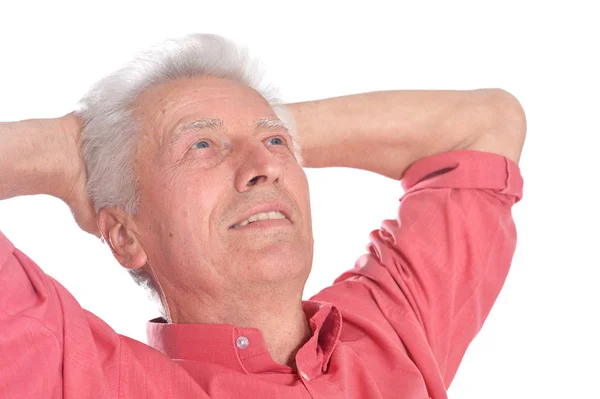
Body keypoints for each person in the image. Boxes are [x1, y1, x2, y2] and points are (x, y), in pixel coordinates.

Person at [0, 33, 526, 398]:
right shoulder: (77, 375)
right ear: (123, 234)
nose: (266, 167)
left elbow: (487, 124)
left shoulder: (392, 330)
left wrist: (258, 125)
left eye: (276, 143)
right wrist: (68, 149)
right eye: (200, 145)